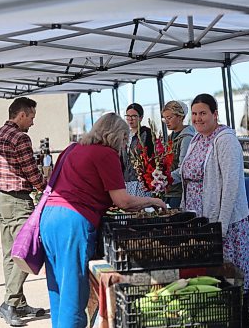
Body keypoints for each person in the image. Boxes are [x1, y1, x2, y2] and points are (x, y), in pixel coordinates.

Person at [40, 113, 167, 328]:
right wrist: (152, 200)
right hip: (73, 220)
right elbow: (122, 200)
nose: (125, 144)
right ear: (117, 136)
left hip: (49, 217)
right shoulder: (106, 154)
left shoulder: (74, 149)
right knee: (73, 292)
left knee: (59, 290)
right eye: (125, 139)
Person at [180, 93, 249, 290]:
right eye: (195, 114)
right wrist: (164, 177)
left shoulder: (225, 141)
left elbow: (231, 186)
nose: (198, 118)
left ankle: (241, 311)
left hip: (224, 220)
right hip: (201, 220)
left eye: (203, 113)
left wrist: (221, 227)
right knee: (211, 277)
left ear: (215, 114)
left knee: (231, 276)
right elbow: (188, 171)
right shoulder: (197, 139)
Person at [0, 97, 46, 327]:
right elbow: (32, 172)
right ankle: (9, 303)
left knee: (11, 254)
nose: (32, 122)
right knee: (27, 251)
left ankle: (18, 304)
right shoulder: (20, 137)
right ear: (21, 115)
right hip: (18, 200)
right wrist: (45, 187)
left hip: (0, 199)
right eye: (31, 117)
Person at [162, 100, 196, 208]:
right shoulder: (170, 138)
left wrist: (164, 179)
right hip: (169, 191)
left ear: (180, 117)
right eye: (165, 118)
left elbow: (183, 168)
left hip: (179, 193)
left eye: (169, 117)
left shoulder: (186, 138)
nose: (166, 121)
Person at [121, 103, 154, 196]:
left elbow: (151, 156)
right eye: (128, 116)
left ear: (141, 117)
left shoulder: (146, 133)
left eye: (134, 116)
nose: (130, 119)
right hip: (126, 181)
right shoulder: (125, 135)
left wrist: (148, 179)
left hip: (141, 182)